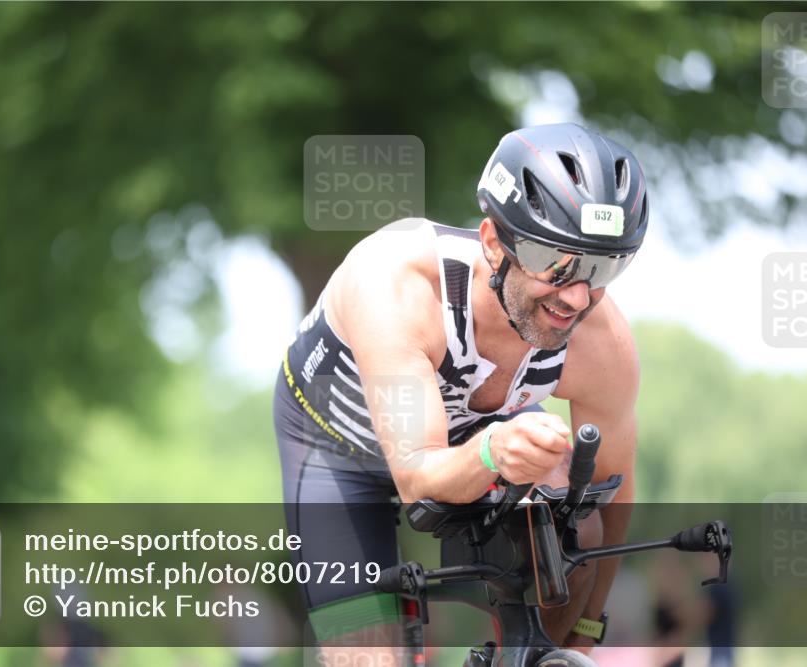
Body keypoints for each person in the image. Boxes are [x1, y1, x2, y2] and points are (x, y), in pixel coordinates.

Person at [273, 123, 649, 665]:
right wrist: (496, 450)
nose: (576, 295)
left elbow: (615, 494)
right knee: (367, 655)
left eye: (603, 266)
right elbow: (418, 475)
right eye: (556, 263)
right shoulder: (400, 283)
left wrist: (587, 625)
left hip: (474, 434)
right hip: (339, 450)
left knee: (577, 518)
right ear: (495, 242)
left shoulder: (601, 342)